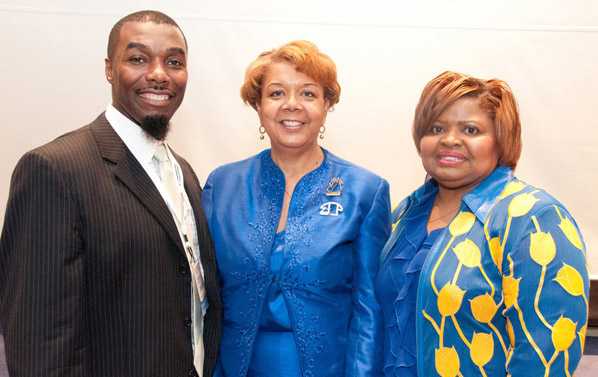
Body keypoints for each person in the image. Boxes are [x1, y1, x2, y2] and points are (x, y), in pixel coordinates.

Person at [0, 10, 221, 377]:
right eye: (137, 59)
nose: (158, 74)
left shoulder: (182, 172)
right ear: (109, 69)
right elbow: (38, 340)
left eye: (174, 62)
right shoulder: (54, 170)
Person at [377, 71, 589, 376]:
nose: (450, 140)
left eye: (471, 129)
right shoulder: (405, 214)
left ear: (500, 140)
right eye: (436, 128)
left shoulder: (534, 218)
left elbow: (544, 356)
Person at [202, 40, 390, 377]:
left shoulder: (365, 191)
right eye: (276, 94)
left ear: (327, 104)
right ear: (257, 106)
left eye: (307, 93)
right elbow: (204, 298)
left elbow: (369, 311)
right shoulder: (222, 186)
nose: (292, 105)